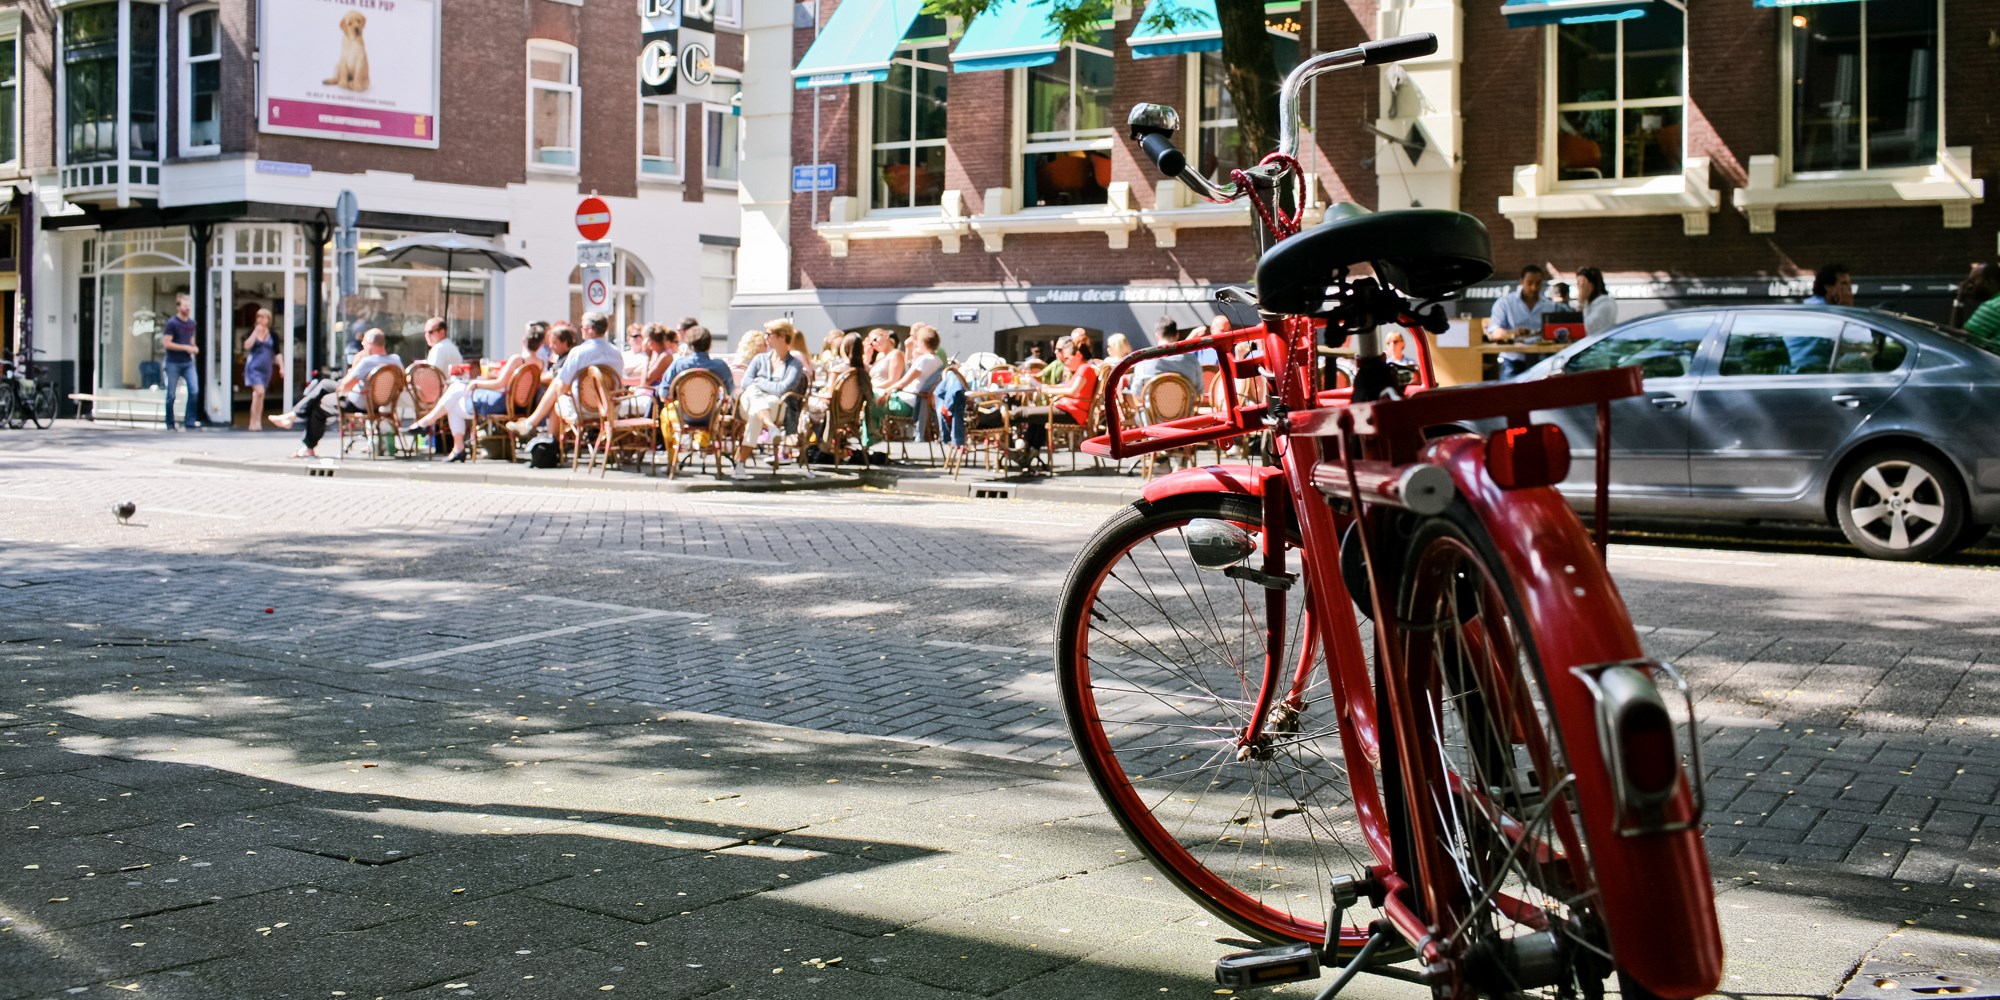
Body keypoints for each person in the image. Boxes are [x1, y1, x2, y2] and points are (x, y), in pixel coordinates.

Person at [405, 325, 546, 462]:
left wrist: (476, 384)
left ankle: (432, 426)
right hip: (520, 405)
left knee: (455, 393)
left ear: (523, 341)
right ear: (539, 345)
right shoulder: (540, 363)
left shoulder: (517, 359)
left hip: (503, 403)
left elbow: (500, 383)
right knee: (454, 399)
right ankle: (450, 442)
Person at [269, 328, 402, 458]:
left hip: (359, 403)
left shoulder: (367, 361)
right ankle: (293, 416)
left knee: (319, 405)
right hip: (381, 403)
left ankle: (306, 444)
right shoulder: (395, 360)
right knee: (325, 385)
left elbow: (345, 386)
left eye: (363, 344)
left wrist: (350, 374)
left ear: (369, 344)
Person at [508, 311, 624, 438]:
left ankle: (550, 441)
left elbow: (563, 387)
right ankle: (533, 424)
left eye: (582, 327)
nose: (581, 330)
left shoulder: (579, 352)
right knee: (558, 388)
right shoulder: (616, 353)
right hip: (610, 408)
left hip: (582, 409)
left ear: (590, 330)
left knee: (558, 392)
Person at [1009, 334, 1098, 464]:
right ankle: (1027, 451)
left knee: (1020, 412)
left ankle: (1012, 442)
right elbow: (1067, 387)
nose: (1066, 362)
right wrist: (1047, 388)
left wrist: (1048, 390)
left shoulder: (1084, 369)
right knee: (1035, 416)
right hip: (1069, 410)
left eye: (1068, 358)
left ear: (1078, 355)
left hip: (1073, 413)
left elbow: (1072, 391)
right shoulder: (1083, 369)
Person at [734, 320, 807, 469]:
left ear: (782, 337)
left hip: (773, 408)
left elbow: (783, 389)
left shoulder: (794, 364)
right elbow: (745, 383)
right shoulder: (759, 359)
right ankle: (770, 426)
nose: (765, 337)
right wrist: (765, 386)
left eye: (769, 334)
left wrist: (759, 382)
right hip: (751, 405)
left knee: (761, 407)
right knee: (756, 394)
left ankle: (740, 464)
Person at [1486, 264, 1557, 380]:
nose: (1534, 287)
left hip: (1542, 362)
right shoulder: (1505, 303)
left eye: (1538, 283)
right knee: (1509, 396)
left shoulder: (1549, 306)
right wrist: (1515, 332)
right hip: (1513, 361)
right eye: (1529, 283)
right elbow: (1494, 333)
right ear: (1521, 281)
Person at [1129, 323, 1202, 403]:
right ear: (1177, 335)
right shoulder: (1191, 360)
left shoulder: (1144, 361)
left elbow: (1136, 393)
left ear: (1157, 336)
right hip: (1188, 413)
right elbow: (1199, 391)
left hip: (1152, 414)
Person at [161, 292, 203, 430]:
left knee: (194, 390)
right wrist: (184, 347)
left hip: (187, 362)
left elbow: (190, 338)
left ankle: (189, 421)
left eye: (189, 306)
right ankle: (170, 423)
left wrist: (193, 346)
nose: (188, 308)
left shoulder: (191, 323)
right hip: (173, 362)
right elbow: (166, 343)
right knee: (171, 394)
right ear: (178, 307)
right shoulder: (172, 323)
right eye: (185, 306)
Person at [662, 324, 736, 400]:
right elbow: (731, 391)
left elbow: (664, 392)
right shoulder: (720, 366)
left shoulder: (679, 365)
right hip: (713, 410)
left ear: (689, 345)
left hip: (681, 410)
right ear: (709, 344)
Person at [241, 307, 278, 431]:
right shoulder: (253, 331)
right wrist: (255, 332)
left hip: (266, 368)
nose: (262, 320)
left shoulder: (272, 334)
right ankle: (252, 421)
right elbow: (247, 345)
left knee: (259, 395)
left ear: (269, 319)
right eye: (260, 317)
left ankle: (257, 421)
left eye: (265, 317)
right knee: (259, 391)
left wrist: (282, 367)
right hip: (253, 367)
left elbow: (277, 352)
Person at [1954, 262, 2000, 345]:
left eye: (1973, 281)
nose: (1969, 286)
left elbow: (1959, 342)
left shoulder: (1992, 306)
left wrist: (1959, 299)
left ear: (1989, 282)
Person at [1576, 266, 1618, 336]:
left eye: (1583, 284)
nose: (1580, 288)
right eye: (1578, 283)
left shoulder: (1606, 304)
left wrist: (1581, 301)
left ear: (1592, 284)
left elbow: (1587, 329)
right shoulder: (1586, 303)